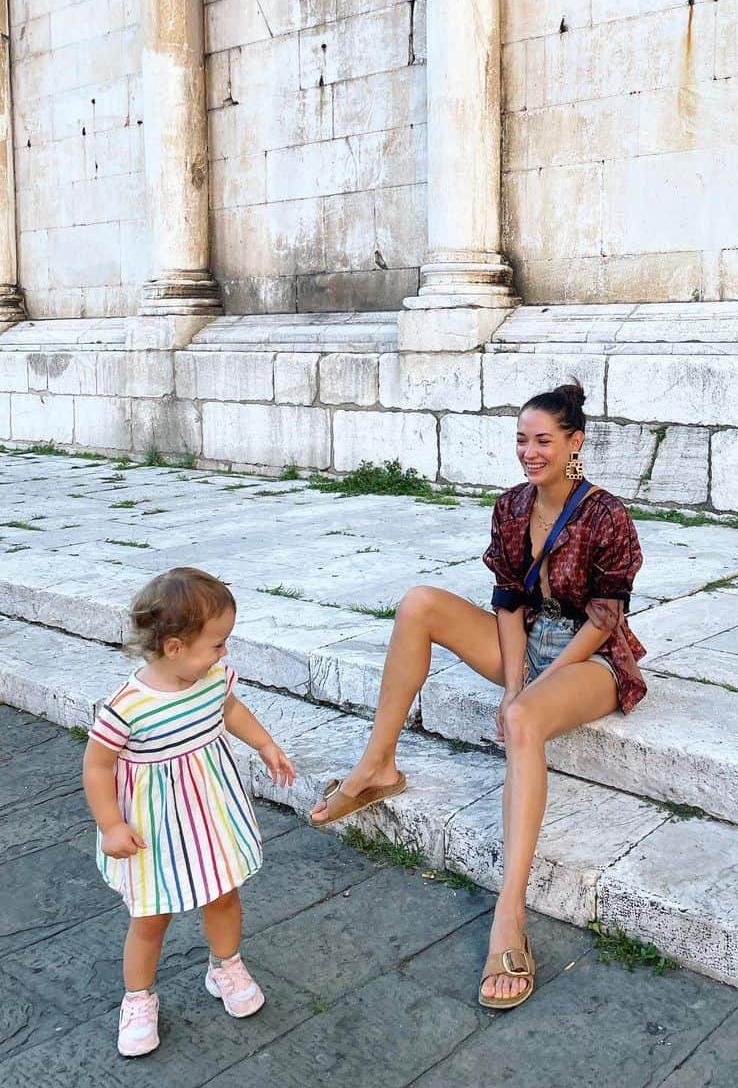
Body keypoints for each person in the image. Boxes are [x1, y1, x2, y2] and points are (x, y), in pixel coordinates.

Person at [310, 381, 646, 1009]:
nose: (529, 452)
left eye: (543, 440)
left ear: (574, 443)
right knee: (419, 605)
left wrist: (533, 695)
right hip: (527, 642)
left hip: (590, 658)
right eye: (522, 440)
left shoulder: (607, 515)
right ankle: (378, 763)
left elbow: (603, 621)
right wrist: (515, 684)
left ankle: (508, 914)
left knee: (524, 719)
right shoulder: (512, 507)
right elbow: (508, 606)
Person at [82, 567, 296, 1057]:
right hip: (151, 829)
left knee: (223, 895)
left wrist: (265, 744)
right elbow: (96, 765)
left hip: (210, 816)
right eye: (217, 643)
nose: (225, 653)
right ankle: (138, 998)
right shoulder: (127, 706)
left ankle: (226, 965)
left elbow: (231, 708)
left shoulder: (211, 678)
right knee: (151, 916)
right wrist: (110, 824)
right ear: (175, 647)